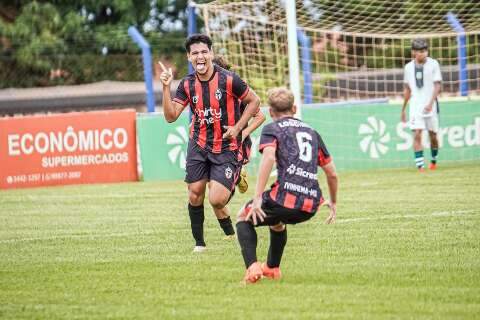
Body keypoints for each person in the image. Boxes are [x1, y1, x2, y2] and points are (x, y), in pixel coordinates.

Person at [159, 34, 261, 252]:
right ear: (189, 57)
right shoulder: (186, 84)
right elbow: (170, 116)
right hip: (199, 144)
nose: (200, 56)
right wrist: (166, 87)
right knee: (195, 192)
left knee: (216, 200)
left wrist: (237, 128)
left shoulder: (229, 79)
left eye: (204, 52)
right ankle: (199, 244)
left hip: (226, 146)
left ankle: (233, 178)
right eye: (195, 53)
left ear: (211, 54)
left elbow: (255, 102)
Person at [235, 87, 338, 284]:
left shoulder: (272, 129)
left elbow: (269, 157)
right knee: (276, 221)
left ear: (271, 112)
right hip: (310, 206)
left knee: (243, 216)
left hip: (284, 199)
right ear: (295, 108)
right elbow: (332, 174)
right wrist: (333, 202)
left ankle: (252, 268)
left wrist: (257, 198)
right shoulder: (313, 133)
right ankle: (272, 269)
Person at [212, 55, 266, 193]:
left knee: (224, 188)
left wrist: (242, 133)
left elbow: (260, 116)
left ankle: (237, 178)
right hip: (214, 142)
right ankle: (236, 178)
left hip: (236, 144)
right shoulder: (204, 92)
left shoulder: (237, 91)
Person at [401, 38, 442, 171]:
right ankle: (420, 167)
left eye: (424, 51)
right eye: (419, 51)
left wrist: (430, 103)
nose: (422, 53)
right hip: (415, 106)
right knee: (417, 133)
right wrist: (403, 108)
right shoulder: (408, 67)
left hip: (430, 105)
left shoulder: (433, 64)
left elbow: (437, 85)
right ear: (413, 52)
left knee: (433, 135)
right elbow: (407, 89)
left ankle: (434, 161)